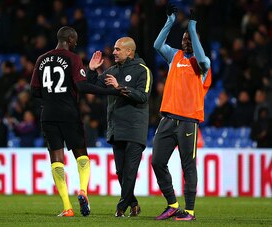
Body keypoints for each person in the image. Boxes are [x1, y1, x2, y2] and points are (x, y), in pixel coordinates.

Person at [30, 26, 125, 217]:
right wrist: (112, 91)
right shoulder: (72, 58)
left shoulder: (41, 59)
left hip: (48, 114)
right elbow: (82, 86)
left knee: (56, 160)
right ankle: (83, 190)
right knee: (81, 155)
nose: (77, 43)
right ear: (70, 39)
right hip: (69, 114)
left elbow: (34, 91)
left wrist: (51, 98)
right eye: (76, 40)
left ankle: (67, 207)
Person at [152, 4, 212, 221]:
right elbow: (157, 44)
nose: (185, 42)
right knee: (157, 161)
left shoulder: (202, 64)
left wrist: (192, 27)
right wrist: (170, 20)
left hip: (188, 122)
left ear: (196, 42)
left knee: (188, 166)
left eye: (189, 39)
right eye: (184, 38)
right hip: (167, 119)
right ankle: (172, 204)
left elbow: (203, 58)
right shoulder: (174, 56)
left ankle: (190, 211)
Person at [87, 37, 152, 217]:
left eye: (117, 49)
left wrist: (120, 87)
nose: (113, 52)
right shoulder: (112, 71)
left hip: (134, 128)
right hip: (116, 128)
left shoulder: (142, 71)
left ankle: (121, 208)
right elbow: (92, 87)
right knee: (121, 172)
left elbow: (143, 96)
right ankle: (134, 204)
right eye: (114, 49)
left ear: (129, 51)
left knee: (130, 171)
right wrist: (91, 70)